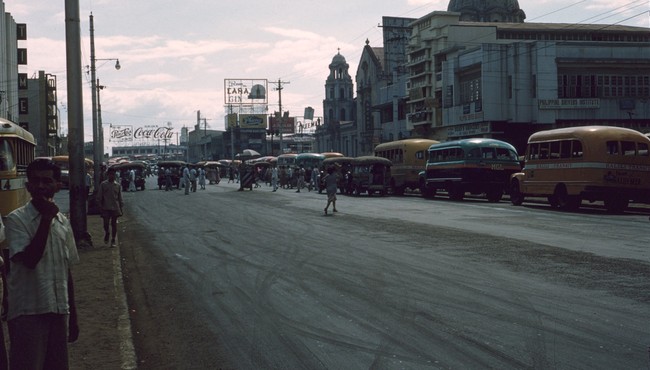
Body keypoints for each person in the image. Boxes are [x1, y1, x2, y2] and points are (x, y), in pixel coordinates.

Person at [4, 158, 80, 370]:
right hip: (29, 311)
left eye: (47, 181)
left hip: (58, 309)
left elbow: (66, 271)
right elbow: (30, 260)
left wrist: (72, 314)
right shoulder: (16, 220)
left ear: (58, 185)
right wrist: (45, 219)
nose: (40, 186)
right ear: (27, 185)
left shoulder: (62, 222)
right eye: (35, 181)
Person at [97, 167, 124, 247]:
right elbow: (99, 197)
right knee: (105, 224)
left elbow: (120, 198)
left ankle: (113, 239)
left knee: (114, 224)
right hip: (106, 207)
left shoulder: (117, 185)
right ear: (108, 175)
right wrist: (100, 207)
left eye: (113, 174)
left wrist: (121, 208)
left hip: (115, 208)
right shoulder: (103, 184)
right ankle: (107, 233)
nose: (112, 176)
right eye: (110, 174)